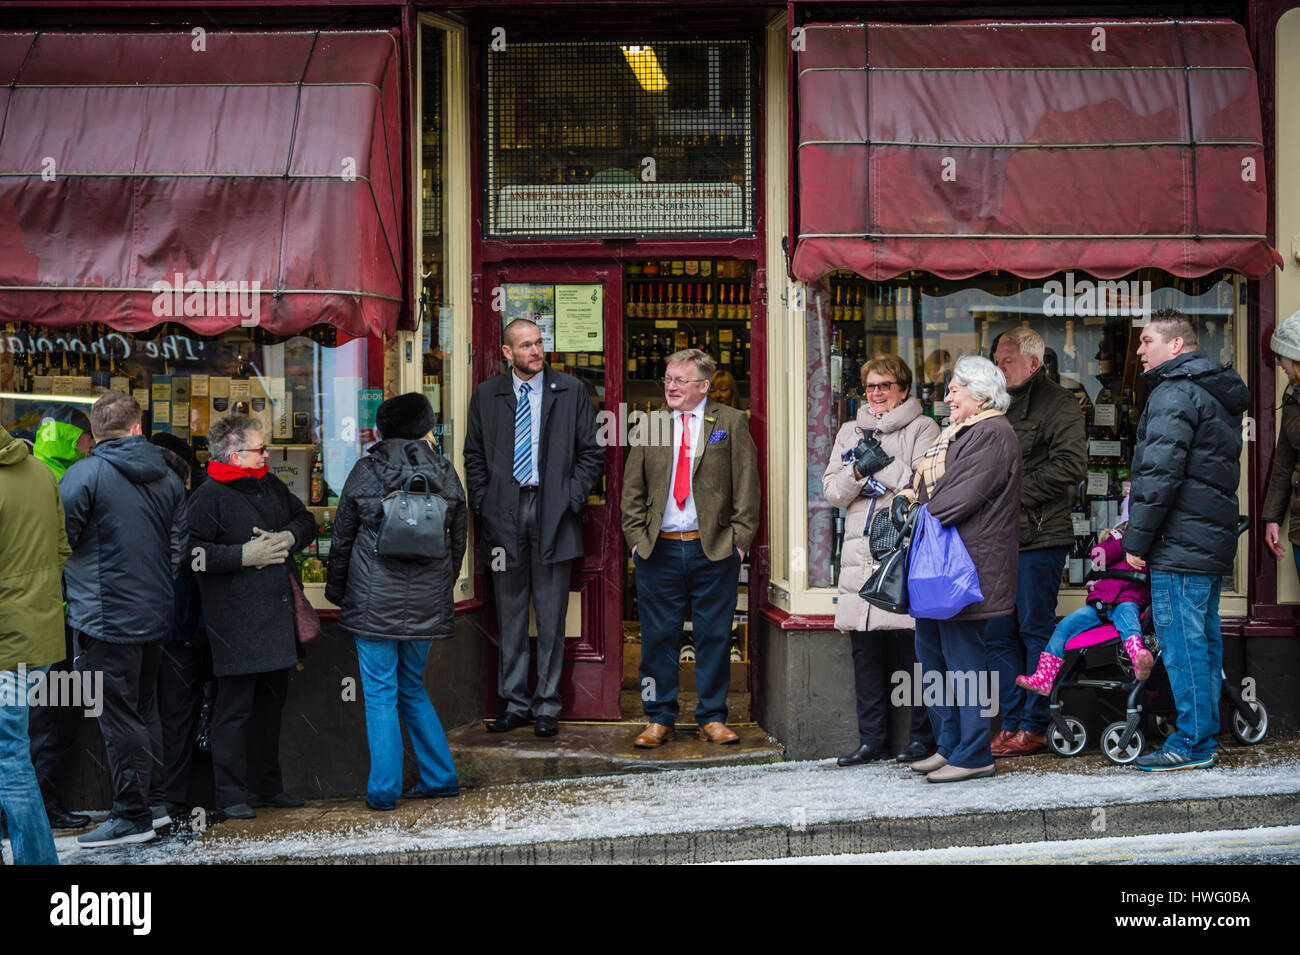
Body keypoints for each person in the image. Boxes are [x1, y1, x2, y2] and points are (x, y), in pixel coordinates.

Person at [464, 318, 603, 738]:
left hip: (553, 512)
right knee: (509, 615)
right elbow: (473, 456)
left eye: (539, 343)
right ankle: (515, 702)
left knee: (550, 615)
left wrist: (569, 498)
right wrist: (486, 503)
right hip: (503, 513)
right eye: (526, 345)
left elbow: (591, 455)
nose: (536, 352)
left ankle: (547, 704)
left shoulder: (571, 390)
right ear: (507, 352)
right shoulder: (488, 395)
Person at [326, 394, 466, 811]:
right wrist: (444, 586)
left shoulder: (367, 470)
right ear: (426, 429)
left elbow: (342, 540)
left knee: (381, 693)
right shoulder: (444, 472)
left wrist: (338, 593)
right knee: (412, 688)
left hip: (371, 602)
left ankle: (384, 791)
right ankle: (440, 777)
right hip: (426, 601)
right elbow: (457, 541)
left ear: (381, 431)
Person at [61, 391, 186, 847]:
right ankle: (152, 805)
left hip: (102, 618)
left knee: (118, 717)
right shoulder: (170, 477)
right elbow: (178, 545)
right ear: (138, 429)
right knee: (143, 708)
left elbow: (63, 542)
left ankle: (132, 814)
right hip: (153, 612)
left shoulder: (83, 474)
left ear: (94, 433)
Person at [1124, 309, 1248, 771]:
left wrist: (1136, 540)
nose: (1139, 349)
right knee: (1204, 641)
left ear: (1176, 346)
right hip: (1205, 540)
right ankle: (1204, 736)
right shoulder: (1211, 391)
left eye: (1147, 340)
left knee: (1183, 647)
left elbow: (1159, 476)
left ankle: (1191, 743)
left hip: (1179, 543)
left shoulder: (1174, 392)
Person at [623, 348, 760, 748]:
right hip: (658, 550)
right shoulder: (650, 425)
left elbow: (747, 489)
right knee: (657, 638)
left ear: (703, 386)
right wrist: (635, 541)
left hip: (713, 549)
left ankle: (712, 717)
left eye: (680, 380)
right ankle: (657, 716)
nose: (670, 386)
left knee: (714, 636)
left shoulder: (731, 423)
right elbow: (631, 491)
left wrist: (738, 543)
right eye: (667, 379)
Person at [186, 414, 315, 816]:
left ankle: (267, 788)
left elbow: (306, 519)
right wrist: (242, 555)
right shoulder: (208, 496)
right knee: (234, 712)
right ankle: (231, 795)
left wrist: (289, 537)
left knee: (270, 711)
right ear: (235, 454)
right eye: (261, 449)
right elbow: (189, 555)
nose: (268, 454)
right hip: (234, 626)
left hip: (277, 621)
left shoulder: (270, 484)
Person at [906, 356, 1022, 783]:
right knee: (932, 656)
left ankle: (974, 753)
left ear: (979, 394)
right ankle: (950, 744)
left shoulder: (992, 433)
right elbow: (925, 486)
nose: (947, 396)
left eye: (955, 389)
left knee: (964, 662)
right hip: (943, 567)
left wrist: (912, 510)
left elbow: (954, 499)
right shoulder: (964, 431)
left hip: (965, 570)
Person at [822, 355, 939, 765]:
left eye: (884, 386)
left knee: (916, 654)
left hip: (903, 551)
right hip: (858, 554)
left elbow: (923, 483)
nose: (876, 393)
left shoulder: (924, 427)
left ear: (903, 389)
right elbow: (833, 493)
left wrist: (879, 466)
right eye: (870, 386)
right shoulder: (850, 430)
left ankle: (922, 739)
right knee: (866, 653)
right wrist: (856, 475)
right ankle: (872, 740)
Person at [986, 327, 1086, 757]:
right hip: (993, 539)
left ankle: (1035, 723)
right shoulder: (991, 405)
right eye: (995, 359)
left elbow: (1070, 466)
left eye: (1006, 360)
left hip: (1040, 534)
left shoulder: (1059, 403)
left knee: (1034, 630)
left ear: (1033, 362)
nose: (998, 367)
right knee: (994, 632)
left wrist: (1011, 493)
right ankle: (1010, 723)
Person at [27, 405, 96, 831]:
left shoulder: (33, 471)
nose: (91, 446)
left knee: (37, 716)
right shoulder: (65, 481)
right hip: (59, 615)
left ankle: (33, 806)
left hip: (32, 616)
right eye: (86, 438)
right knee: (54, 714)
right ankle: (42, 809)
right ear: (73, 439)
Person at [0, 424, 66, 864]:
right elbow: (62, 549)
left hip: (7, 643)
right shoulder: (42, 471)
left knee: (10, 761)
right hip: (36, 635)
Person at [1016, 500, 1153, 694]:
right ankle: (1044, 677)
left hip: (1128, 601)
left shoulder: (1151, 550)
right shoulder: (1114, 541)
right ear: (1125, 525)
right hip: (1100, 602)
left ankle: (1139, 663)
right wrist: (1125, 543)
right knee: (1064, 626)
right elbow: (1097, 557)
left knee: (1130, 626)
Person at [149, 433, 209, 814]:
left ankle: (140, 800)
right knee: (175, 719)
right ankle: (167, 800)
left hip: (129, 630)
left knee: (134, 717)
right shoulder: (190, 505)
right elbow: (197, 573)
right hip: (178, 630)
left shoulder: (126, 504)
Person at [1263, 310, 1300, 576]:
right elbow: (1284, 464)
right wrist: (1272, 518)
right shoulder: (1292, 399)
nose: (1278, 363)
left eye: (1281, 356)